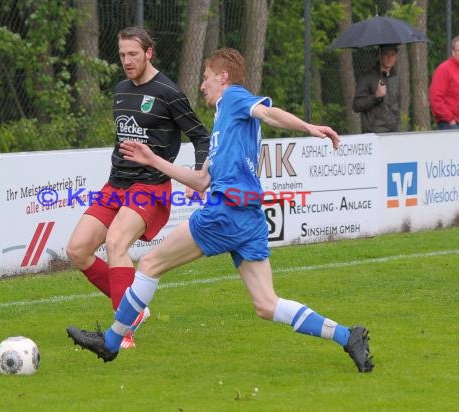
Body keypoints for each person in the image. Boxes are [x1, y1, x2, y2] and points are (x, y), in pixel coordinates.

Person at [66, 48, 374, 373]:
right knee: (267, 305)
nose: (202, 86)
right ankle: (347, 335)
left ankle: (111, 343)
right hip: (249, 217)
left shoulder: (234, 99)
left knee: (150, 263)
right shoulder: (224, 126)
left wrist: (309, 128)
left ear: (222, 78)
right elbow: (200, 181)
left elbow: (269, 113)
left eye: (206, 78)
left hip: (227, 210)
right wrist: (153, 159)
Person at [65, 26, 210, 349]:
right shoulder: (120, 89)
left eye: (133, 54)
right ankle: (135, 309)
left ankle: (122, 330)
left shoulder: (168, 92)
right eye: (122, 55)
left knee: (116, 242)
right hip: (116, 184)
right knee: (77, 250)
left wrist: (200, 176)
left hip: (151, 186)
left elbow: (201, 136)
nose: (127, 61)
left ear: (149, 53)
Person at [353, 44, 401, 133]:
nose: (389, 57)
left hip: (394, 131)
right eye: (386, 54)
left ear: (396, 57)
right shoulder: (367, 77)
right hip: (374, 132)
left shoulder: (395, 78)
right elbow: (356, 105)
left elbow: (397, 105)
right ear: (380, 55)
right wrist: (376, 97)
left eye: (393, 54)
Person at [429, 36, 459, 130]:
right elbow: (436, 99)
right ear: (453, 52)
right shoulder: (444, 69)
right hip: (450, 124)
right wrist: (450, 119)